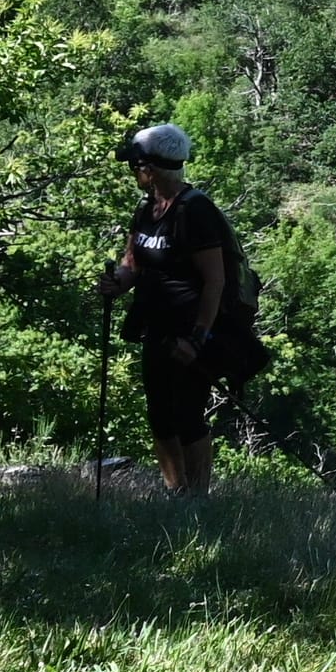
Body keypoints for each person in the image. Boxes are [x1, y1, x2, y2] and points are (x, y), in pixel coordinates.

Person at [97, 122, 231, 496]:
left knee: (187, 415)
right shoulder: (147, 211)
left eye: (134, 167)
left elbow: (214, 280)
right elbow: (132, 263)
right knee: (160, 416)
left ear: (149, 169)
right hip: (155, 328)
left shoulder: (195, 209)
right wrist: (117, 283)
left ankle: (198, 499)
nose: (133, 173)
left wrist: (198, 337)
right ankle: (176, 494)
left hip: (190, 331)